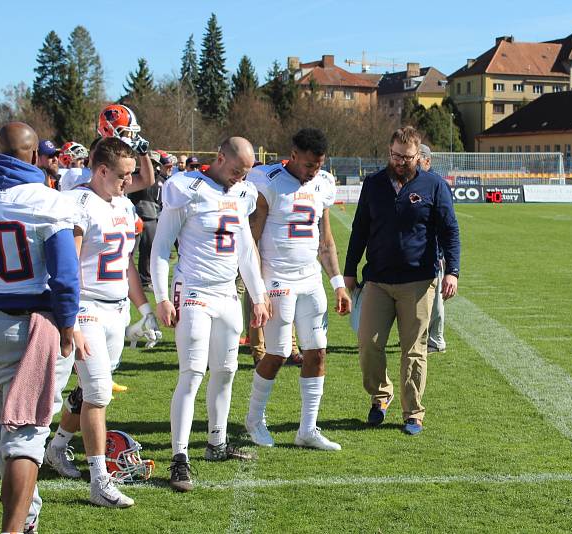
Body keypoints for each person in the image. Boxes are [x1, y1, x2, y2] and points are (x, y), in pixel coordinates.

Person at [45, 137, 158, 508]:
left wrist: (144, 308)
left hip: (117, 308)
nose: (130, 181)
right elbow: (68, 265)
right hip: (86, 308)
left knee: (92, 390)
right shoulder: (78, 203)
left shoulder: (123, 205)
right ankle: (99, 481)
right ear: (102, 170)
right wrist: (70, 321)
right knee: (96, 393)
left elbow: (125, 263)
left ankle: (58, 446)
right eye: (124, 175)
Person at [0, 122, 80, 533]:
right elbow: (67, 277)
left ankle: (28, 521)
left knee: (6, 440)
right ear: (35, 157)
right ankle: (14, 530)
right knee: (24, 438)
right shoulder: (47, 201)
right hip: (27, 329)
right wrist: (69, 326)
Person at [151, 137, 269, 492]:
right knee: (192, 373)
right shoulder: (185, 188)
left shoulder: (243, 193)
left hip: (227, 294)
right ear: (219, 158)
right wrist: (160, 297)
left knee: (227, 370)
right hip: (194, 292)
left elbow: (246, 250)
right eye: (236, 170)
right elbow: (160, 247)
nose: (240, 177)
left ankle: (216, 443)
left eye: (246, 172)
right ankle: (179, 457)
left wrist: (258, 295)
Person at [344, 126, 460, 436]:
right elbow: (359, 230)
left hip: (418, 281)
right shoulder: (373, 184)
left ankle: (413, 413)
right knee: (368, 345)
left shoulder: (434, 185)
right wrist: (350, 269)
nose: (399, 161)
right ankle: (381, 394)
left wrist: (453, 271)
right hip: (378, 281)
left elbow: (450, 230)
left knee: (414, 351)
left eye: (406, 157)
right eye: (395, 155)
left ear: (418, 156)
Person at [245, 128, 351, 452]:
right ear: (293, 155)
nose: (312, 172)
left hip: (310, 279)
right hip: (277, 278)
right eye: (308, 165)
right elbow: (251, 239)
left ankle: (307, 429)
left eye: (318, 165)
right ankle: (254, 418)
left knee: (317, 351)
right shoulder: (270, 181)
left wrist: (338, 284)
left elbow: (326, 240)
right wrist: (257, 290)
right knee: (277, 353)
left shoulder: (323, 184)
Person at [418, 144, 447, 354]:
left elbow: (447, 224)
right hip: (420, 254)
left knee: (435, 299)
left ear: (428, 161)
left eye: (418, 161)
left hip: (434, 253)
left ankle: (436, 340)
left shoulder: (437, 184)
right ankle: (420, 336)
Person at [128, 151, 169, 289]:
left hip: (152, 219)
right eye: (150, 162)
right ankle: (125, 278)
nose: (152, 165)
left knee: (148, 251)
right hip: (135, 218)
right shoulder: (136, 177)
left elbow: (162, 201)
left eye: (154, 163)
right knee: (129, 251)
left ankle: (145, 281)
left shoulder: (162, 181)